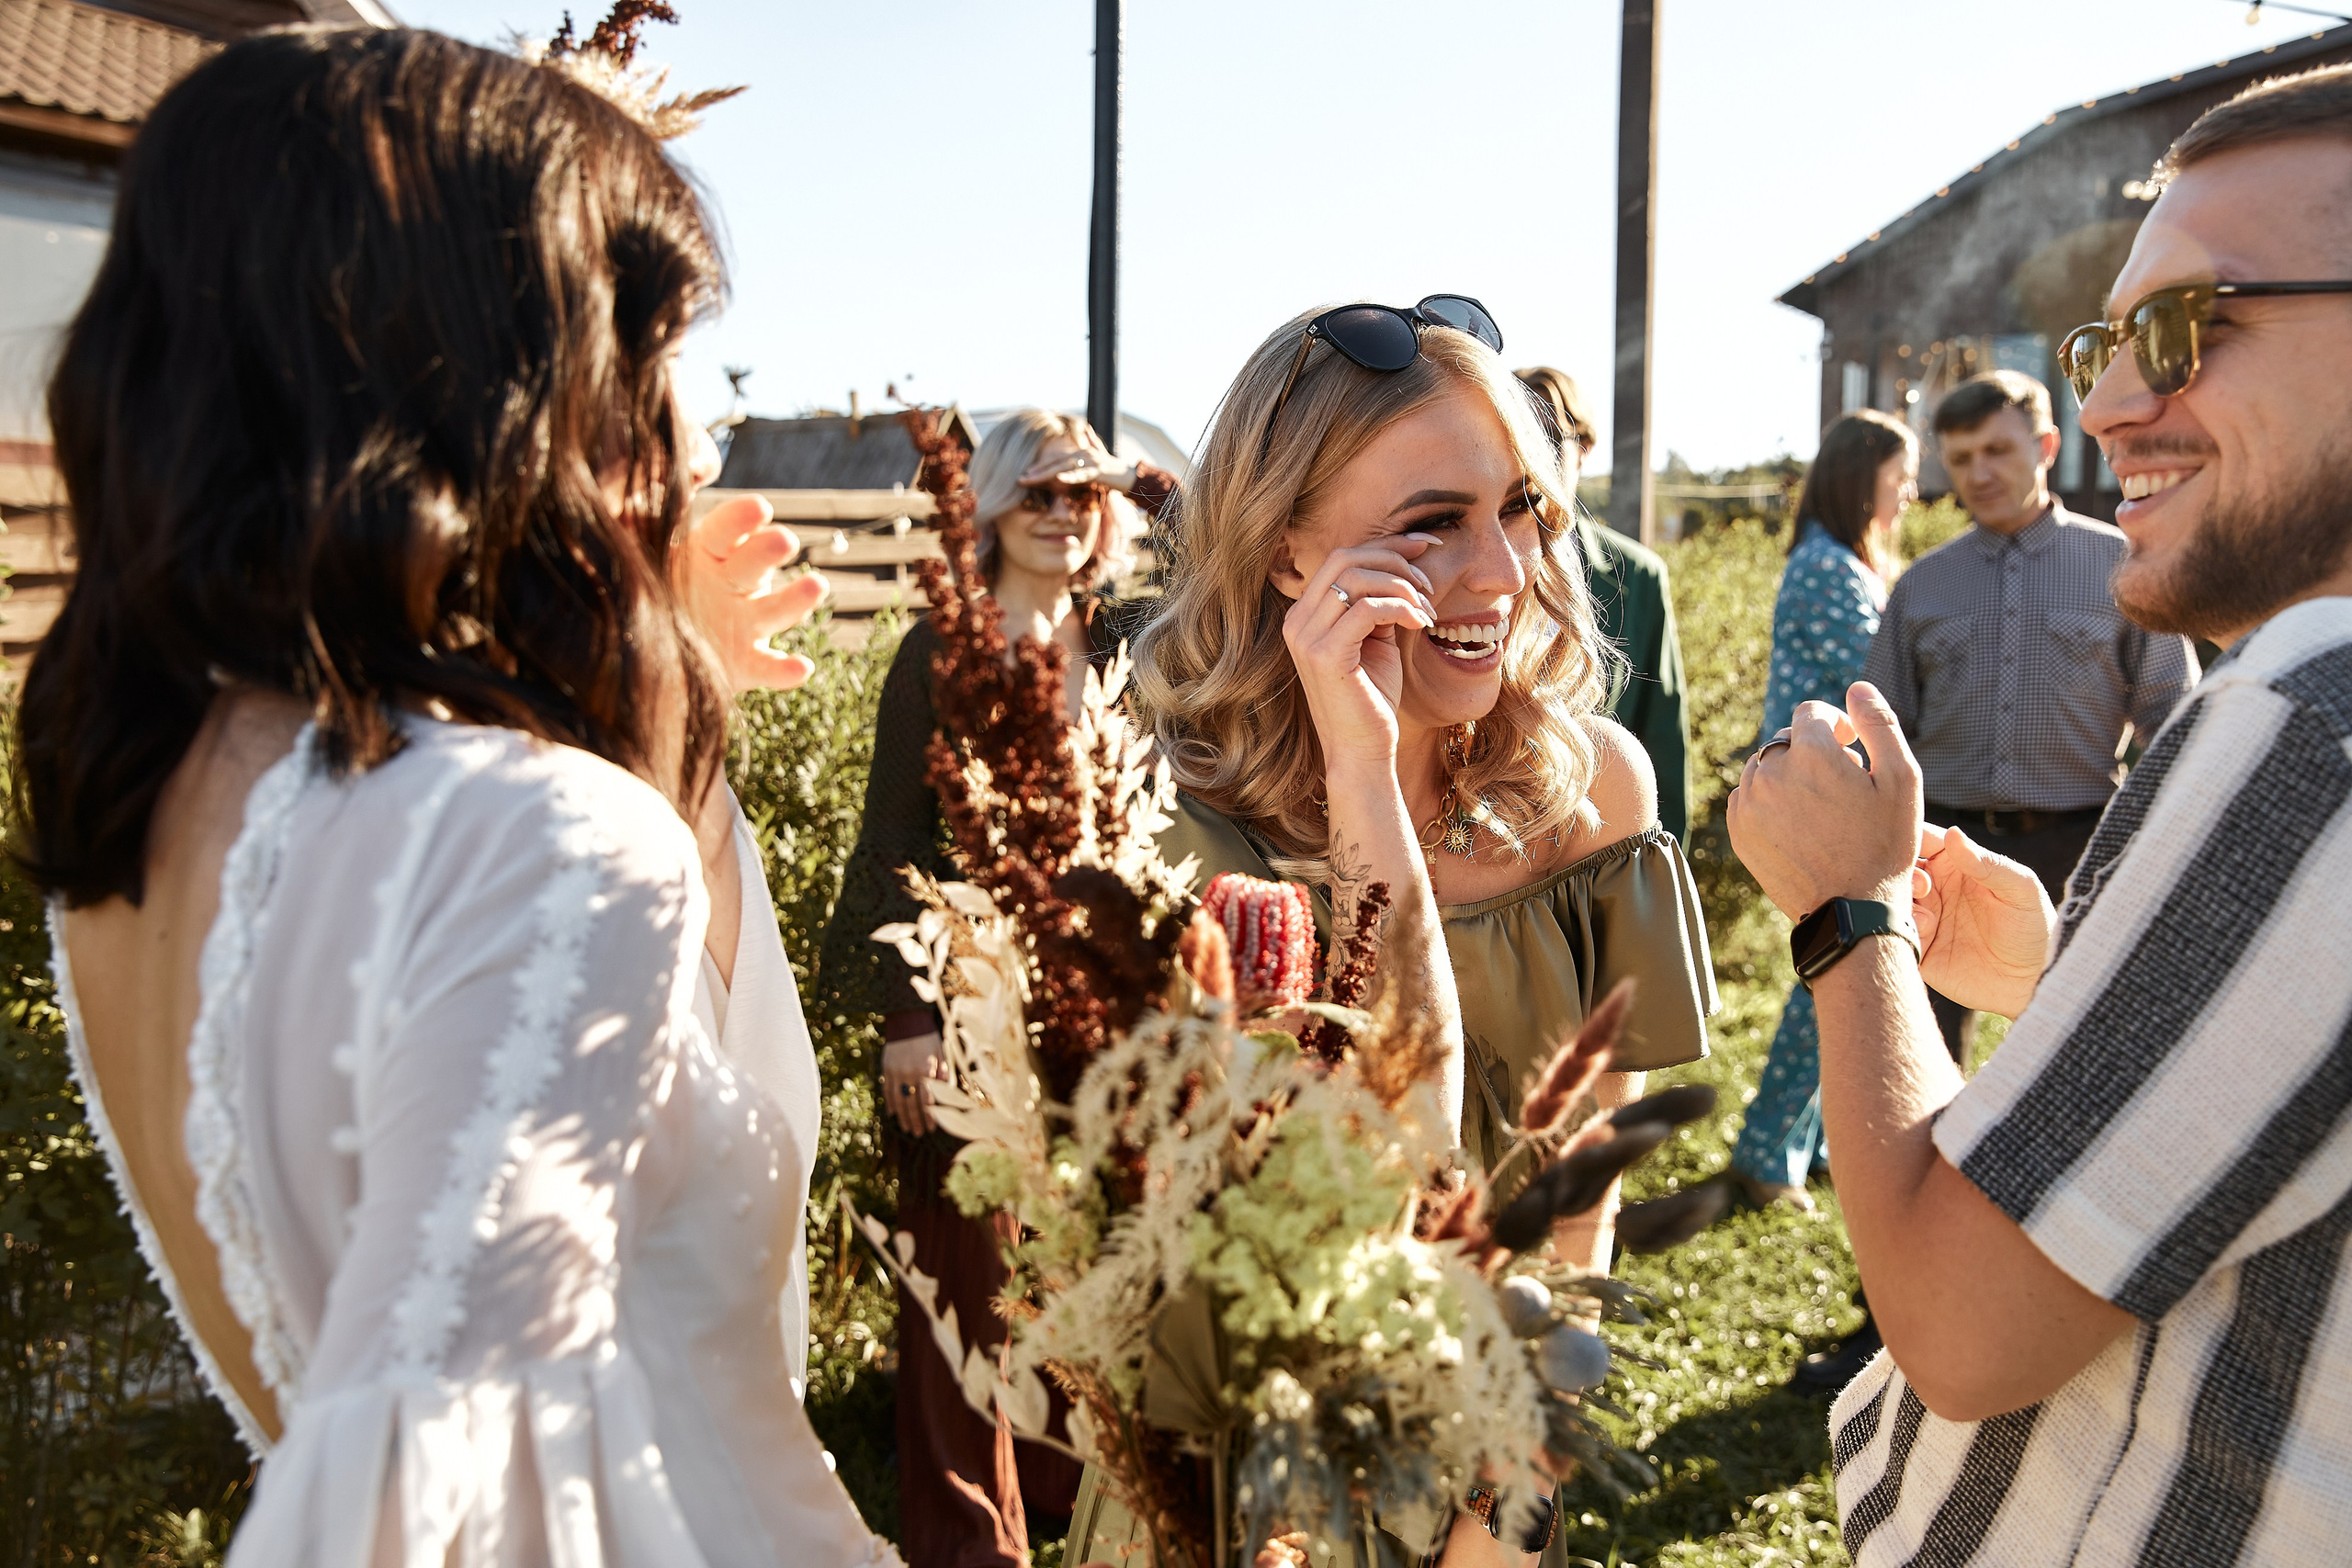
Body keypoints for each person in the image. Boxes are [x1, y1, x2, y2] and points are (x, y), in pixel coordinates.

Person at [10, 28, 895, 1565]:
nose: (675, 442)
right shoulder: (539, 843)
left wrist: (657, 686)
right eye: (648, 362)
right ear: (508, 381)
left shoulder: (146, 846)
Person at [1729, 64, 2352, 1565]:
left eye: (2188, 327)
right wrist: (2062, 971)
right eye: (2103, 343)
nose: (2112, 404)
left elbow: (1957, 1328)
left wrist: (1847, 914)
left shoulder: (2303, 712)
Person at [1067, 299, 1716, 1568]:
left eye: (1518, 505)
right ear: (1288, 552)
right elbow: (1389, 1147)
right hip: (1241, 1490)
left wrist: (1512, 1497)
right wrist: (1364, 772)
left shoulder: (1599, 796)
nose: (1502, 571)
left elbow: (1583, 1203)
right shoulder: (1162, 824)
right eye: (1432, 523)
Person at [819, 409, 1160, 1567]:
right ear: (993, 506)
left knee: (1078, 1261)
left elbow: (1233, 568)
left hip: (1097, 1003)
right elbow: (891, 840)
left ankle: (1064, 1491)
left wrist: (1145, 483)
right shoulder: (939, 652)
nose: (1066, 514)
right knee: (965, 1279)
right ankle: (970, 1535)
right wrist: (906, 1016)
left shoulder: (1122, 638)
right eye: (1041, 493)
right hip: (960, 1001)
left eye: (1085, 494)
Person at [1861, 369, 2196, 1064]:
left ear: (2045, 444)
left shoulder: (2125, 565)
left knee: (2079, 1043)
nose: (1978, 472)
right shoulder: (1923, 585)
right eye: (1960, 458)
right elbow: (1881, 728)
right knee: (1924, 1044)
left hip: (2079, 848)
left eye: (1997, 450)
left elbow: (2173, 718)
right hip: (1942, 849)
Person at [1730, 411, 1913, 1214]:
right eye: (1900, 474)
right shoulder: (1825, 569)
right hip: (1821, 809)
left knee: (1841, 967)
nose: (1910, 490)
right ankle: (1768, 1155)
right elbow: (1879, 676)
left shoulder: (1843, 561)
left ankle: (1814, 1140)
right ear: (1862, 475)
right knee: (1831, 971)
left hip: (1839, 805)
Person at [1513, 366, 1693, 845]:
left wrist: (1664, 867)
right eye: (1518, 433)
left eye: (1551, 434)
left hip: (1604, 848)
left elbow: (1662, 733)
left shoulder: (1638, 574)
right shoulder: (1474, 566)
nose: (1534, 453)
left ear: (1584, 449)